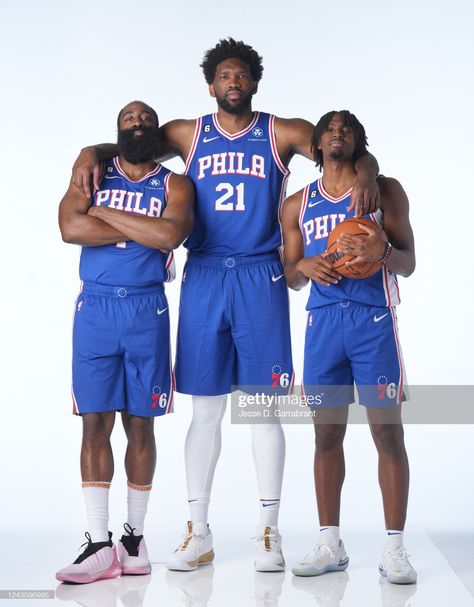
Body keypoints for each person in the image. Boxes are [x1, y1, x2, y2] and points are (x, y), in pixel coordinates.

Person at [71, 38, 379, 572]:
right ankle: (199, 530)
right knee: (206, 410)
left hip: (260, 273)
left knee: (263, 409)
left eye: (241, 75)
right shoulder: (187, 133)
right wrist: (88, 153)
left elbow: (341, 147)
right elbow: (130, 147)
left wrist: (369, 171)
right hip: (206, 274)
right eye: (224, 75)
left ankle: (269, 530)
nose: (233, 82)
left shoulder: (281, 131)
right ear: (211, 84)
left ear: (254, 82)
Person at [56, 100, 194, 584]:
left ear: (155, 131)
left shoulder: (174, 184)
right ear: (117, 131)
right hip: (95, 308)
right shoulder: (93, 171)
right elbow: (70, 227)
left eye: (145, 120)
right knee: (94, 422)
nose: (138, 125)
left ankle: (132, 540)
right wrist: (141, 228)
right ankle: (98, 543)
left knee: (141, 424)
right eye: (128, 121)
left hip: (145, 309)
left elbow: (171, 234)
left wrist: (103, 214)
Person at [281, 110, 416, 584]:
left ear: (359, 141)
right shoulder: (297, 203)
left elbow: (409, 263)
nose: (338, 135)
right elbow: (292, 275)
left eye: (348, 129)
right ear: (316, 143)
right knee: (325, 436)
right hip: (323, 327)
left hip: (372, 322)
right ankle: (329, 543)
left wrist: (383, 254)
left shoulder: (384, 190)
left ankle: (395, 548)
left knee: (387, 435)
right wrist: (307, 266)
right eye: (330, 130)